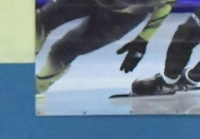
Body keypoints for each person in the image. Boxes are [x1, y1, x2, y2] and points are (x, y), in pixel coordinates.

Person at [36, 1, 172, 94]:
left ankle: (37, 87)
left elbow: (167, 3)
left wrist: (142, 40)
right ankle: (26, 72)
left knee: (63, 51)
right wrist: (142, 39)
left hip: (121, 16)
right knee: (38, 23)